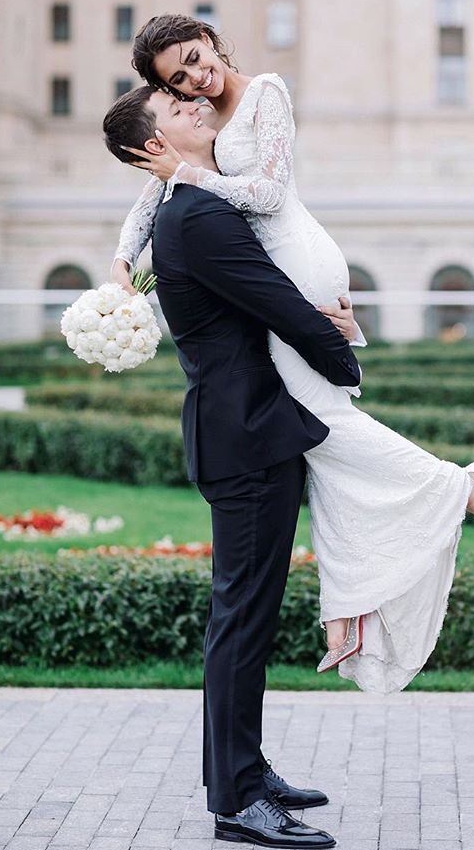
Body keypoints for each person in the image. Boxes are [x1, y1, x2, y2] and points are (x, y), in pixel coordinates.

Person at [110, 14, 474, 695]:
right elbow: (152, 194)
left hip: (293, 260)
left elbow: (268, 193)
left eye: (194, 59)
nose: (194, 78)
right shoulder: (196, 124)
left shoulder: (264, 93)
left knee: (323, 425)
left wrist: (188, 173)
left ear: (213, 40)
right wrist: (125, 258)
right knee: (309, 435)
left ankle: (467, 492)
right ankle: (348, 612)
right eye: (176, 78)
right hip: (277, 273)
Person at [103, 85, 362, 848]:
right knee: (241, 620)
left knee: (242, 616)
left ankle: (242, 773)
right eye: (173, 108)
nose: (191, 103)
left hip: (245, 434)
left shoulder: (188, 212)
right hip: (246, 440)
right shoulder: (200, 216)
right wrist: (345, 356)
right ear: (154, 148)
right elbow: (276, 301)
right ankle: (238, 799)